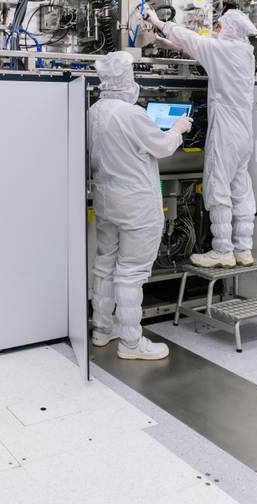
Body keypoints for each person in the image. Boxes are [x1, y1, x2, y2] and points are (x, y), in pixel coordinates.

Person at [89, 51, 192, 360]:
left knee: (105, 262)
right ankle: (132, 342)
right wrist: (177, 129)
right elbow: (161, 147)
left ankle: (102, 328)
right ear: (125, 79)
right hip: (136, 205)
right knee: (132, 271)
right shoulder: (131, 113)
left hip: (107, 200)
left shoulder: (94, 111)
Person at [146, 7, 257, 268]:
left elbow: (197, 42)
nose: (216, 30)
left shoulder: (223, 50)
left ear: (230, 29)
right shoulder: (243, 52)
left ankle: (222, 250)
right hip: (244, 134)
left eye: (219, 26)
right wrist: (173, 46)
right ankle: (243, 249)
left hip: (226, 132)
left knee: (218, 187)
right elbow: (205, 51)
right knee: (241, 190)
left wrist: (160, 23)